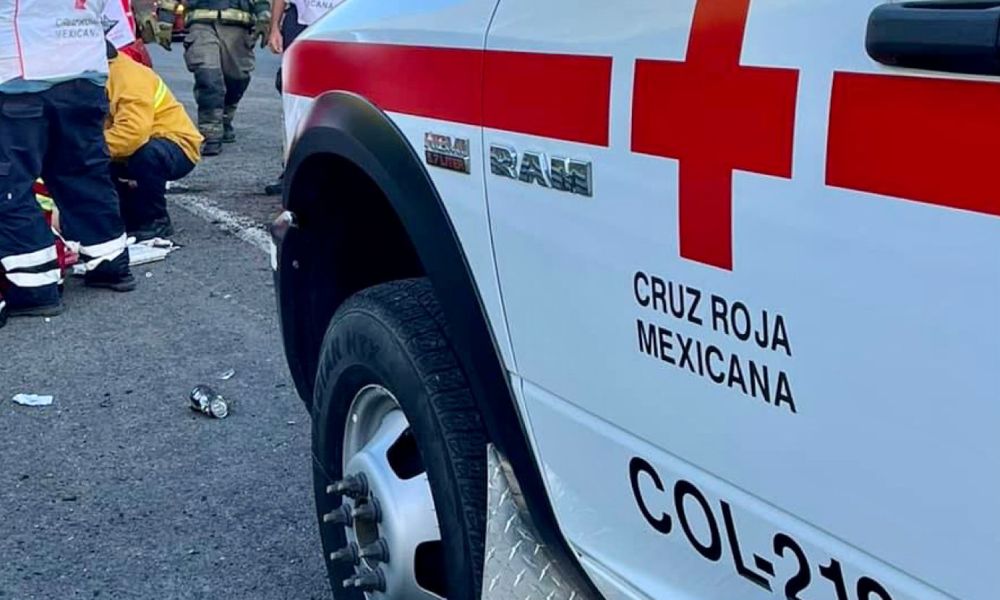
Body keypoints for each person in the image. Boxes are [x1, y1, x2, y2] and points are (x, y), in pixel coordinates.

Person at [0, 0, 136, 329]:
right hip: (85, 73)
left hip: (19, 75)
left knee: (10, 184)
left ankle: (34, 285)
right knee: (83, 173)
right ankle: (109, 261)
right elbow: (115, 21)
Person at [105, 42, 203, 241]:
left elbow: (132, 134)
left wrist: (86, 149)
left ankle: (156, 221)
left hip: (175, 144)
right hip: (129, 148)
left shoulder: (127, 76)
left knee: (147, 156)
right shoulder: (95, 75)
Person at [157, 0, 271, 156]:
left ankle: (225, 117)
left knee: (237, 78)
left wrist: (264, 16)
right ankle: (210, 133)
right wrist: (165, 21)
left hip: (238, 27)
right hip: (201, 25)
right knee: (208, 77)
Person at [263, 0, 342, 195]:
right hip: (300, 24)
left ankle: (335, 170)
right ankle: (291, 170)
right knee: (294, 98)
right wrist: (275, 28)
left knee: (337, 97)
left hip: (340, 24)